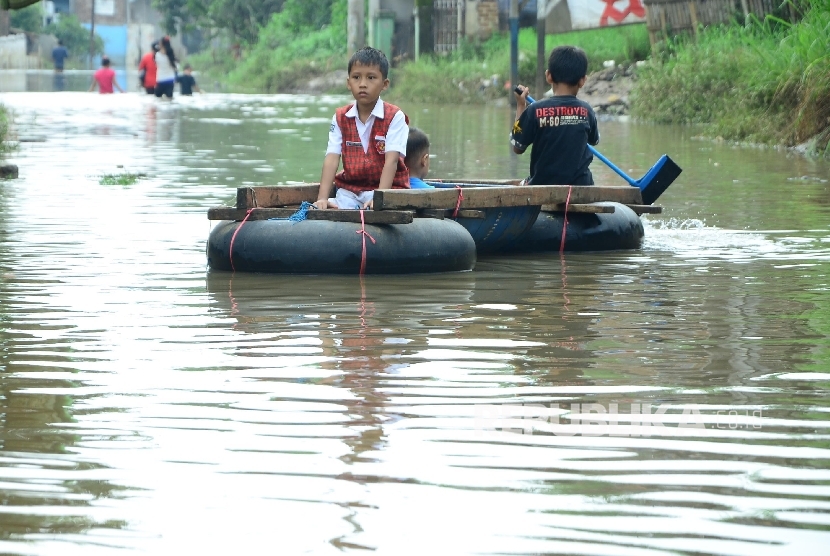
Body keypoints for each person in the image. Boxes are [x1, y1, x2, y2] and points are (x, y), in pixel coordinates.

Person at [313, 46, 409, 210]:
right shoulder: (340, 117)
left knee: (382, 205)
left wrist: (380, 198)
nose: (363, 84)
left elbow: (391, 161)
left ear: (384, 84)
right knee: (335, 205)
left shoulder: (395, 116)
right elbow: (332, 158)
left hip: (389, 190)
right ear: (348, 83)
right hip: (351, 191)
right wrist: (322, 198)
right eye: (356, 77)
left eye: (371, 78)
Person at [511, 45, 600, 185]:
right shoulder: (587, 111)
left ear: (548, 76)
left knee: (523, 184)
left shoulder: (535, 110)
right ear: (583, 80)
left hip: (543, 185)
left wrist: (521, 105)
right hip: (582, 185)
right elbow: (593, 140)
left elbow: (517, 146)